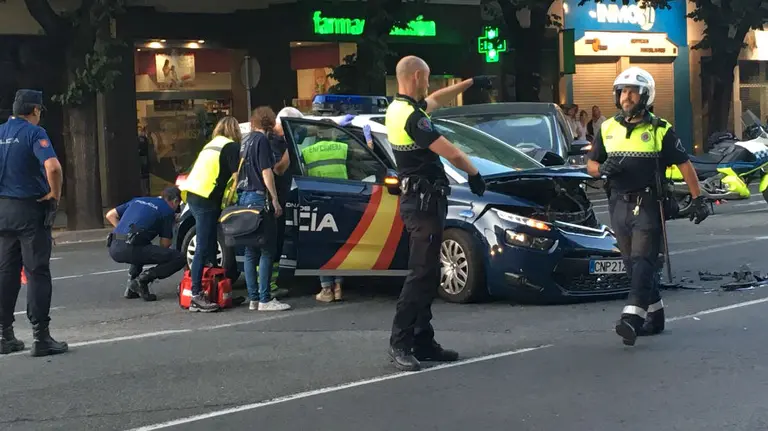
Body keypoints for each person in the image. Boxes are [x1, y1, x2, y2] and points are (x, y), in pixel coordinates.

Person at [586, 67, 709, 346]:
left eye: (632, 91)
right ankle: (656, 316)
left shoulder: (660, 130)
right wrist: (602, 169)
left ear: (645, 96)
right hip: (618, 203)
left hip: (649, 203)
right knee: (631, 264)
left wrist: (698, 198)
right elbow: (591, 163)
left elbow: (684, 164)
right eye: (622, 91)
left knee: (643, 261)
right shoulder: (607, 128)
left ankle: (631, 318)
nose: (626, 96)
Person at [385, 56, 491, 371]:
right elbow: (452, 151)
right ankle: (400, 341)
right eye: (427, 78)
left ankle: (422, 339)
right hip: (423, 203)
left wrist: (470, 83)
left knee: (429, 273)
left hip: (421, 202)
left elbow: (435, 100)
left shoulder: (398, 109)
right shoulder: (413, 119)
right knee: (420, 274)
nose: (429, 85)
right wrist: (474, 174)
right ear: (417, 76)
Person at [0, 89, 67, 357]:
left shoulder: (1, 132)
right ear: (35, 110)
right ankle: (41, 337)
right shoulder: (34, 133)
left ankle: (4, 334)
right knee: (37, 271)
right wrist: (54, 194)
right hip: (30, 210)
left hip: (4, 211)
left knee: (6, 272)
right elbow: (53, 167)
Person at [179, 116, 241, 312]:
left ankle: (214, 290)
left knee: (211, 243)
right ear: (234, 130)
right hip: (206, 197)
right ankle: (197, 294)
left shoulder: (211, 145)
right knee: (204, 245)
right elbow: (236, 176)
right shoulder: (230, 146)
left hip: (194, 195)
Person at [237, 107, 290, 311]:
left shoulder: (245, 141)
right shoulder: (262, 141)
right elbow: (267, 172)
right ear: (268, 122)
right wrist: (275, 200)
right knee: (267, 249)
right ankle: (266, 299)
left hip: (244, 197)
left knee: (251, 251)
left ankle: (253, 299)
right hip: (259, 197)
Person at [106, 186, 186, 301]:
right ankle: (142, 280)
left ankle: (130, 287)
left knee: (142, 245)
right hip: (130, 249)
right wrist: (171, 225)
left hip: (114, 246)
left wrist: (124, 232)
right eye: (178, 207)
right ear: (175, 201)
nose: (176, 210)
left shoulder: (138, 200)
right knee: (179, 258)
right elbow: (165, 244)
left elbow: (110, 215)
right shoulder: (167, 211)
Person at [266, 107, 303, 299]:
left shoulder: (282, 141)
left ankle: (272, 283)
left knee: (279, 243)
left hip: (284, 197)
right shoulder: (272, 142)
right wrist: (292, 147)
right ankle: (267, 287)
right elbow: (278, 169)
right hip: (273, 201)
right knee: (271, 244)